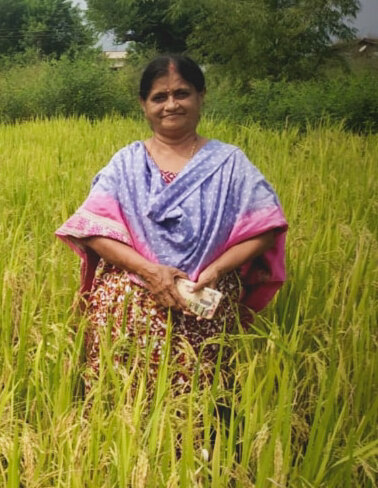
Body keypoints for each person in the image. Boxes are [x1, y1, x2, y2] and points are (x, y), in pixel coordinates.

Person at [55, 54, 288, 390]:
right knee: (122, 410)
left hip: (203, 302)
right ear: (143, 104)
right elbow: (93, 230)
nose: (171, 105)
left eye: (182, 93)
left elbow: (266, 227)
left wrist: (217, 271)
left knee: (198, 412)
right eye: (159, 97)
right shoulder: (126, 163)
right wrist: (150, 272)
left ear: (200, 96)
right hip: (129, 306)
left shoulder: (229, 163)